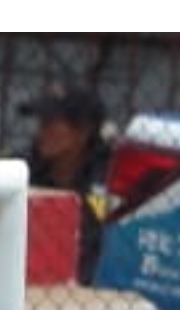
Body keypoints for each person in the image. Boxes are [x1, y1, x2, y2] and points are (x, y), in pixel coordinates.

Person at [21, 83, 112, 284]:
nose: (41, 131)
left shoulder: (105, 181)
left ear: (83, 131)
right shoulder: (23, 171)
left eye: (50, 123)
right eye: (41, 122)